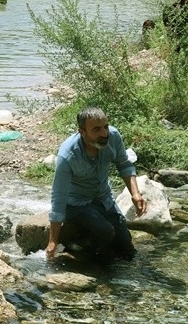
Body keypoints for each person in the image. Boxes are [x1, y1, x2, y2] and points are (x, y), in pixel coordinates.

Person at [46, 107, 146, 262]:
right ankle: (83, 258)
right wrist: (52, 241)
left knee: (127, 249)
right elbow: (59, 197)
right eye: (97, 130)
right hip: (77, 204)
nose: (104, 133)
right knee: (105, 231)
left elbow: (124, 164)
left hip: (103, 198)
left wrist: (135, 193)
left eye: (105, 127)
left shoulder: (113, 136)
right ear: (82, 132)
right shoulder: (68, 156)